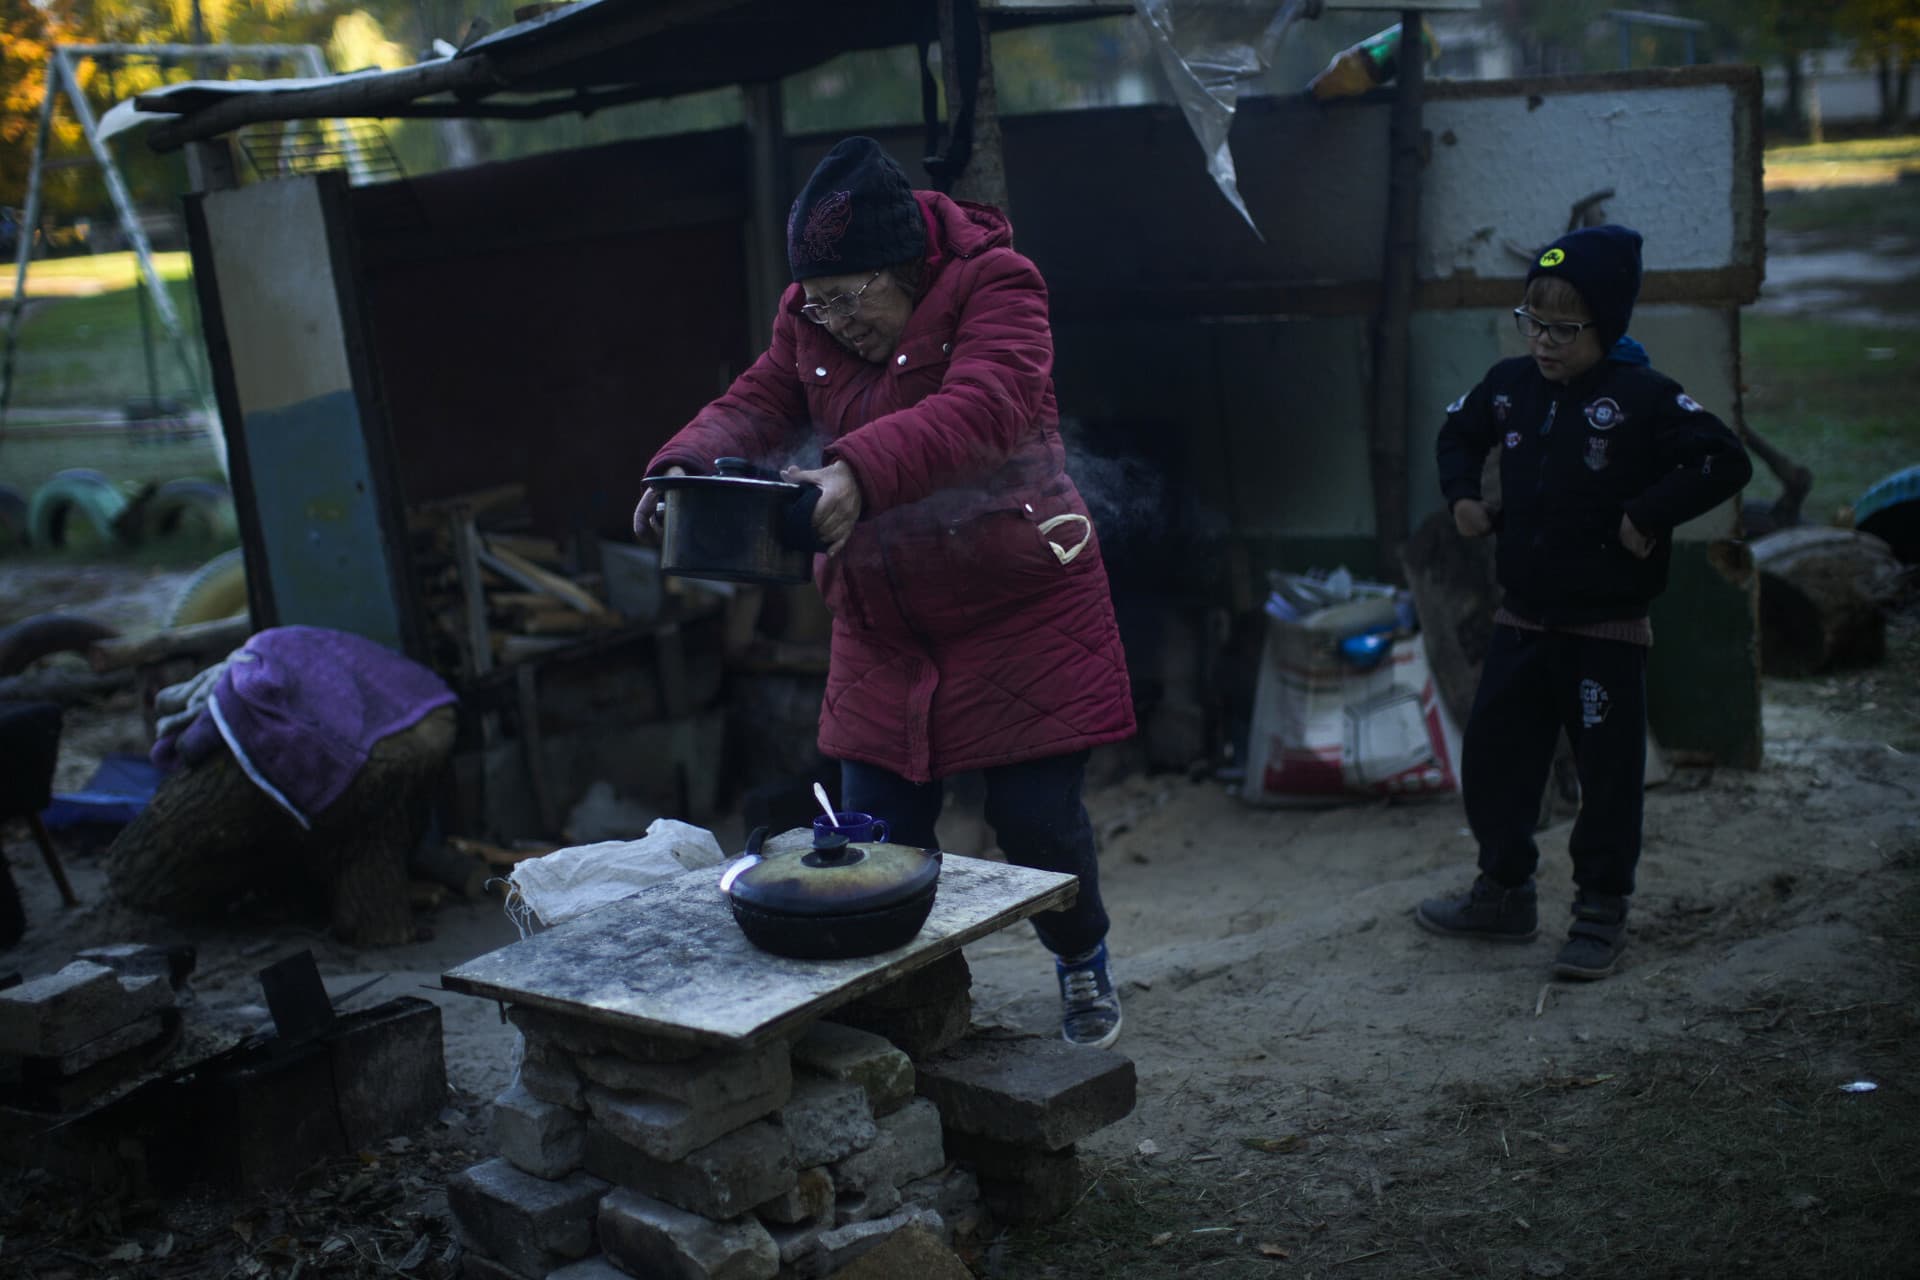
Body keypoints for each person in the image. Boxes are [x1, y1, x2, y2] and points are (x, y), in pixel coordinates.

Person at [635, 137, 1136, 1047]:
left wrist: (853, 473)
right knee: (875, 839)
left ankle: (1081, 958)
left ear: (904, 264)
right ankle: (921, 1012)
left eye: (847, 297)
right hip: (884, 623)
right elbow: (755, 401)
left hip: (1018, 605)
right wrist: (682, 467)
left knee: (1036, 825)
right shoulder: (812, 316)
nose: (828, 320)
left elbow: (983, 408)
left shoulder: (1001, 286)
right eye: (814, 301)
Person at [1417, 224, 1752, 980]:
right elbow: (1457, 433)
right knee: (1496, 760)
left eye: (1566, 329)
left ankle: (1600, 912)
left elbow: (1722, 459)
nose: (1545, 342)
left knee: (1606, 777)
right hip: (1522, 618)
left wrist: (1648, 512)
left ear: (1609, 325)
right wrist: (1463, 495)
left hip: (1605, 628)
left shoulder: (1644, 397)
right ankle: (1504, 892)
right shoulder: (1508, 386)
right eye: (1533, 322)